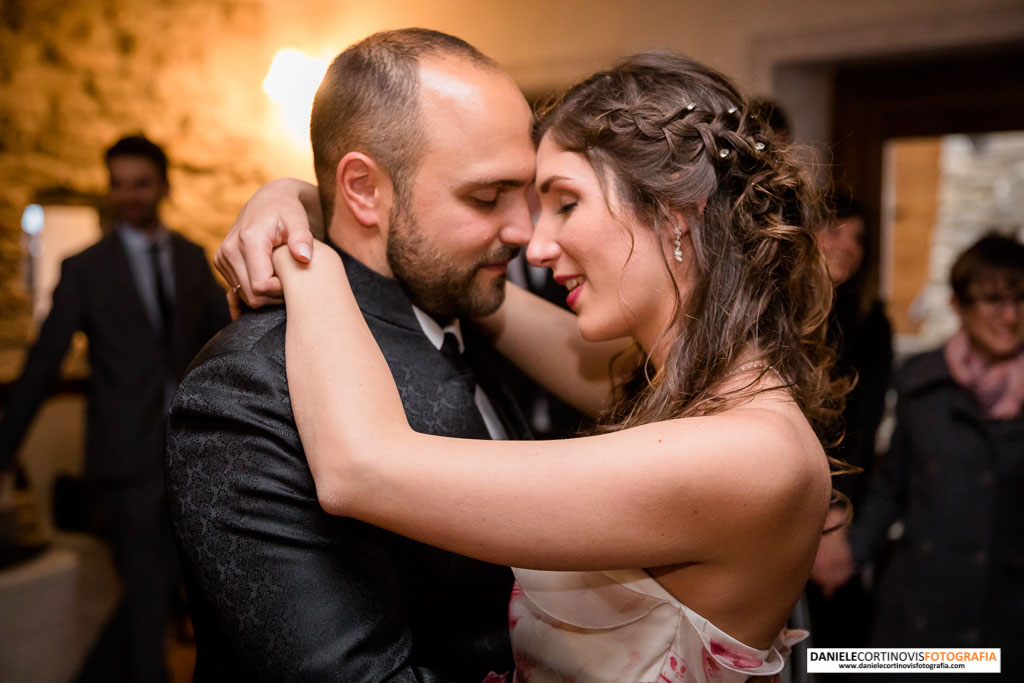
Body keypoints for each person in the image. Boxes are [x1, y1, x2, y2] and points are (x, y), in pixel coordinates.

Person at [222, 50, 842, 682]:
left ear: (674, 212)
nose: (535, 244)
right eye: (499, 197)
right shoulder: (680, 386)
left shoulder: (751, 455)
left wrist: (306, 259)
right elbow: (457, 279)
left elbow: (361, 468)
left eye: (565, 203)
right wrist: (303, 196)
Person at [165, 29, 539, 681]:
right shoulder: (250, 384)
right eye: (486, 197)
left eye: (527, 191)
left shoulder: (467, 311)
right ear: (363, 189)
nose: (525, 232)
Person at [0, 135, 230, 683]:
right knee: (149, 584)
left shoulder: (190, 257)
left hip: (190, 451)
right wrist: (4, 451)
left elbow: (225, 343)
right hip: (124, 457)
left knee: (173, 579)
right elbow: (45, 362)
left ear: (163, 187)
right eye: (118, 184)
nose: (127, 196)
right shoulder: (85, 268)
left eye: (140, 184)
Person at [846, 232, 1024, 676]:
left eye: (1021, 299)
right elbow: (892, 484)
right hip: (921, 615)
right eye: (992, 300)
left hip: (1005, 619)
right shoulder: (922, 381)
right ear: (959, 306)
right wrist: (848, 556)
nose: (1010, 315)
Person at [807, 190, 893, 646]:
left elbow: (861, 427)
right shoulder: (781, 314)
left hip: (837, 500)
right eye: (835, 230)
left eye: (859, 238)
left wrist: (835, 516)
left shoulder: (869, 322)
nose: (848, 246)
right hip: (786, 496)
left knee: (841, 644)